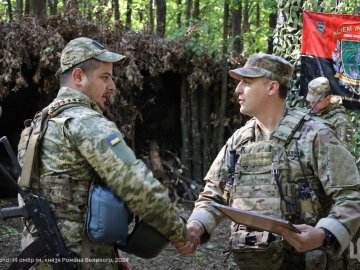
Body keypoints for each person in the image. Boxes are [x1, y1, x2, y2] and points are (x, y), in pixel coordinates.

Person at [17, 37, 195, 269]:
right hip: (77, 260)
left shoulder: (37, 126)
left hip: (38, 257)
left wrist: (110, 254)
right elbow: (138, 186)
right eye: (105, 77)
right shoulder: (88, 123)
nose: (112, 86)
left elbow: (61, 201)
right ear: (79, 77)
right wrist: (179, 231)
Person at [174, 53, 360, 269]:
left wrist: (322, 234)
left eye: (247, 82)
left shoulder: (316, 136)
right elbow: (213, 194)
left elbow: (351, 196)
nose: (238, 90)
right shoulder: (239, 141)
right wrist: (196, 226)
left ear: (272, 87)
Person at [306, 76, 353, 151]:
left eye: (316, 101)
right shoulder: (308, 113)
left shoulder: (341, 121)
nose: (312, 104)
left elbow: (344, 156)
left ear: (328, 98)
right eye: (311, 100)